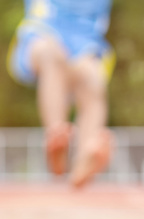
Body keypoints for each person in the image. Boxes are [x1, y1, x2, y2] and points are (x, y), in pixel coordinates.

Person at [8, 0, 115, 188]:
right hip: (41, 34)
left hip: (84, 45)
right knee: (51, 54)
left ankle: (85, 159)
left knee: (93, 79)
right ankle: (56, 136)